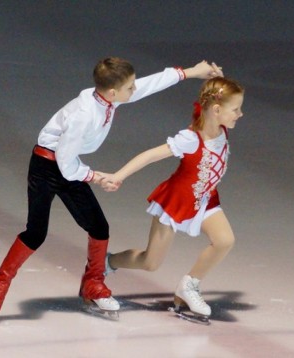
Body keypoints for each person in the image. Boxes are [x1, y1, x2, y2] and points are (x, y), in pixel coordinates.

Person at [0, 57, 223, 325]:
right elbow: (66, 164)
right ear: (114, 92)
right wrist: (97, 177)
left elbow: (148, 85)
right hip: (47, 167)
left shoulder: (109, 96)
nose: (134, 91)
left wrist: (192, 72)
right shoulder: (84, 114)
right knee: (36, 233)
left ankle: (93, 284)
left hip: (68, 165)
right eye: (129, 88)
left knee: (99, 228)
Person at [101, 77, 244, 324]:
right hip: (175, 202)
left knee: (224, 240)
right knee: (150, 263)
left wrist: (214, 79)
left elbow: (211, 100)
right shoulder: (190, 139)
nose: (240, 114)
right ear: (217, 110)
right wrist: (118, 175)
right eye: (236, 109)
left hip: (205, 199)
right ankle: (106, 261)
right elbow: (150, 155)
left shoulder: (221, 129)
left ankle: (189, 286)